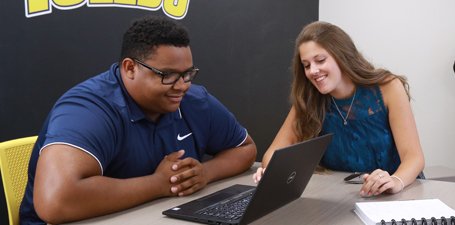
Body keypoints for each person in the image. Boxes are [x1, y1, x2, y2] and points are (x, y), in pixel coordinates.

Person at [19, 16, 257, 225]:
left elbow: (245, 148)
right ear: (130, 68)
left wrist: (205, 173)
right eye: (168, 75)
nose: (182, 85)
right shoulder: (87, 109)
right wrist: (158, 184)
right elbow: (55, 202)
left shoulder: (194, 100)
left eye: (187, 73)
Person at [253, 21, 424, 197]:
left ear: (342, 56)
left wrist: (396, 181)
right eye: (306, 65)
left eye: (320, 60)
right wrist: (271, 172)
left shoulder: (388, 87)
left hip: (398, 194)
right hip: (346, 198)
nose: (313, 71)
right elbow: (273, 153)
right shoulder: (309, 99)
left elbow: (414, 156)